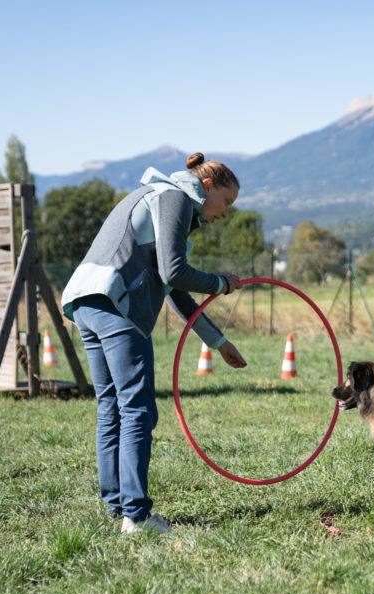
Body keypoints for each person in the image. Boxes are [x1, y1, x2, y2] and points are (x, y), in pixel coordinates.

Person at [61, 153, 247, 534]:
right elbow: (174, 271)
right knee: (137, 410)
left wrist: (218, 341)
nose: (226, 213)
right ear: (207, 187)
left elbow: (173, 288)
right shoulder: (174, 198)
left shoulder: (159, 196)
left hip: (85, 300)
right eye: (226, 202)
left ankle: (118, 508)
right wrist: (221, 284)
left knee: (111, 406)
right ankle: (137, 515)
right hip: (116, 305)